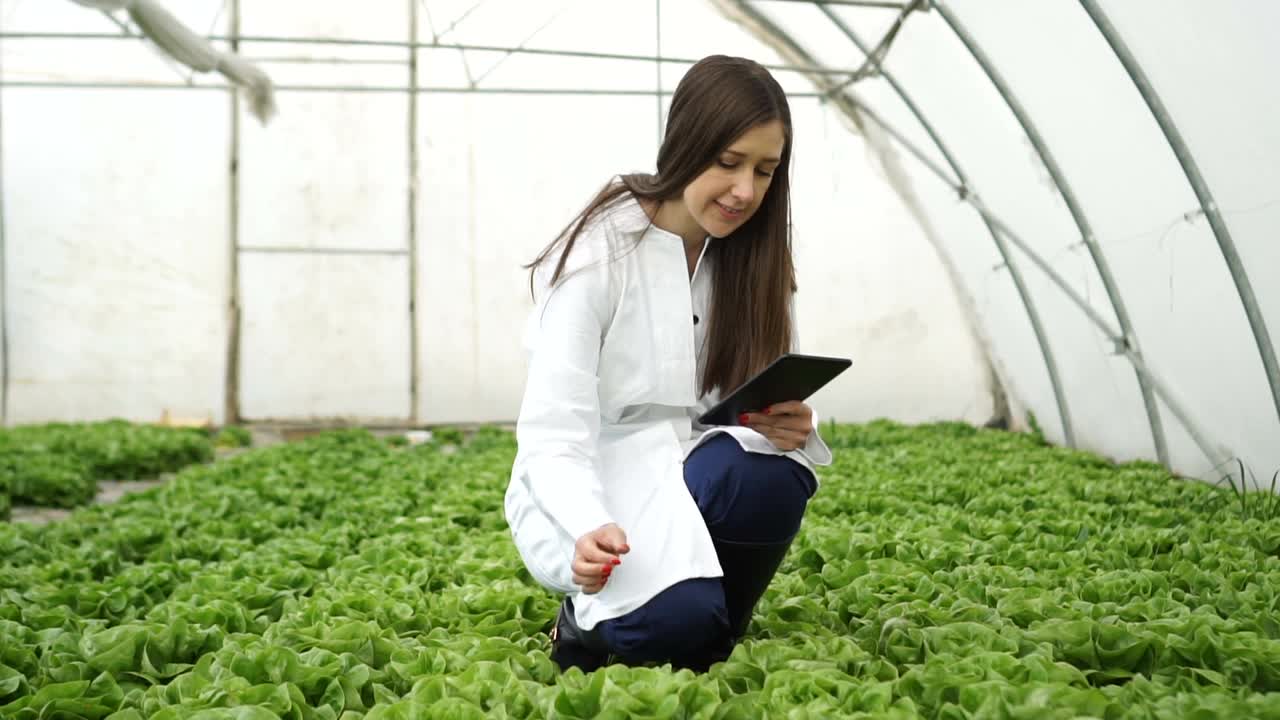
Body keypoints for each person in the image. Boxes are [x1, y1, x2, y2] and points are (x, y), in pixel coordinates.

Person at [504, 55, 833, 672]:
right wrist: (583, 523)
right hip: (595, 486)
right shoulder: (600, 253)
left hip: (690, 468)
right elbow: (553, 437)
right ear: (685, 145)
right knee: (671, 627)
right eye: (729, 162)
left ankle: (704, 623)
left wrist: (793, 426)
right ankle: (587, 623)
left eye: (765, 171)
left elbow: (752, 403)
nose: (745, 192)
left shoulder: (755, 263)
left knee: (769, 478)